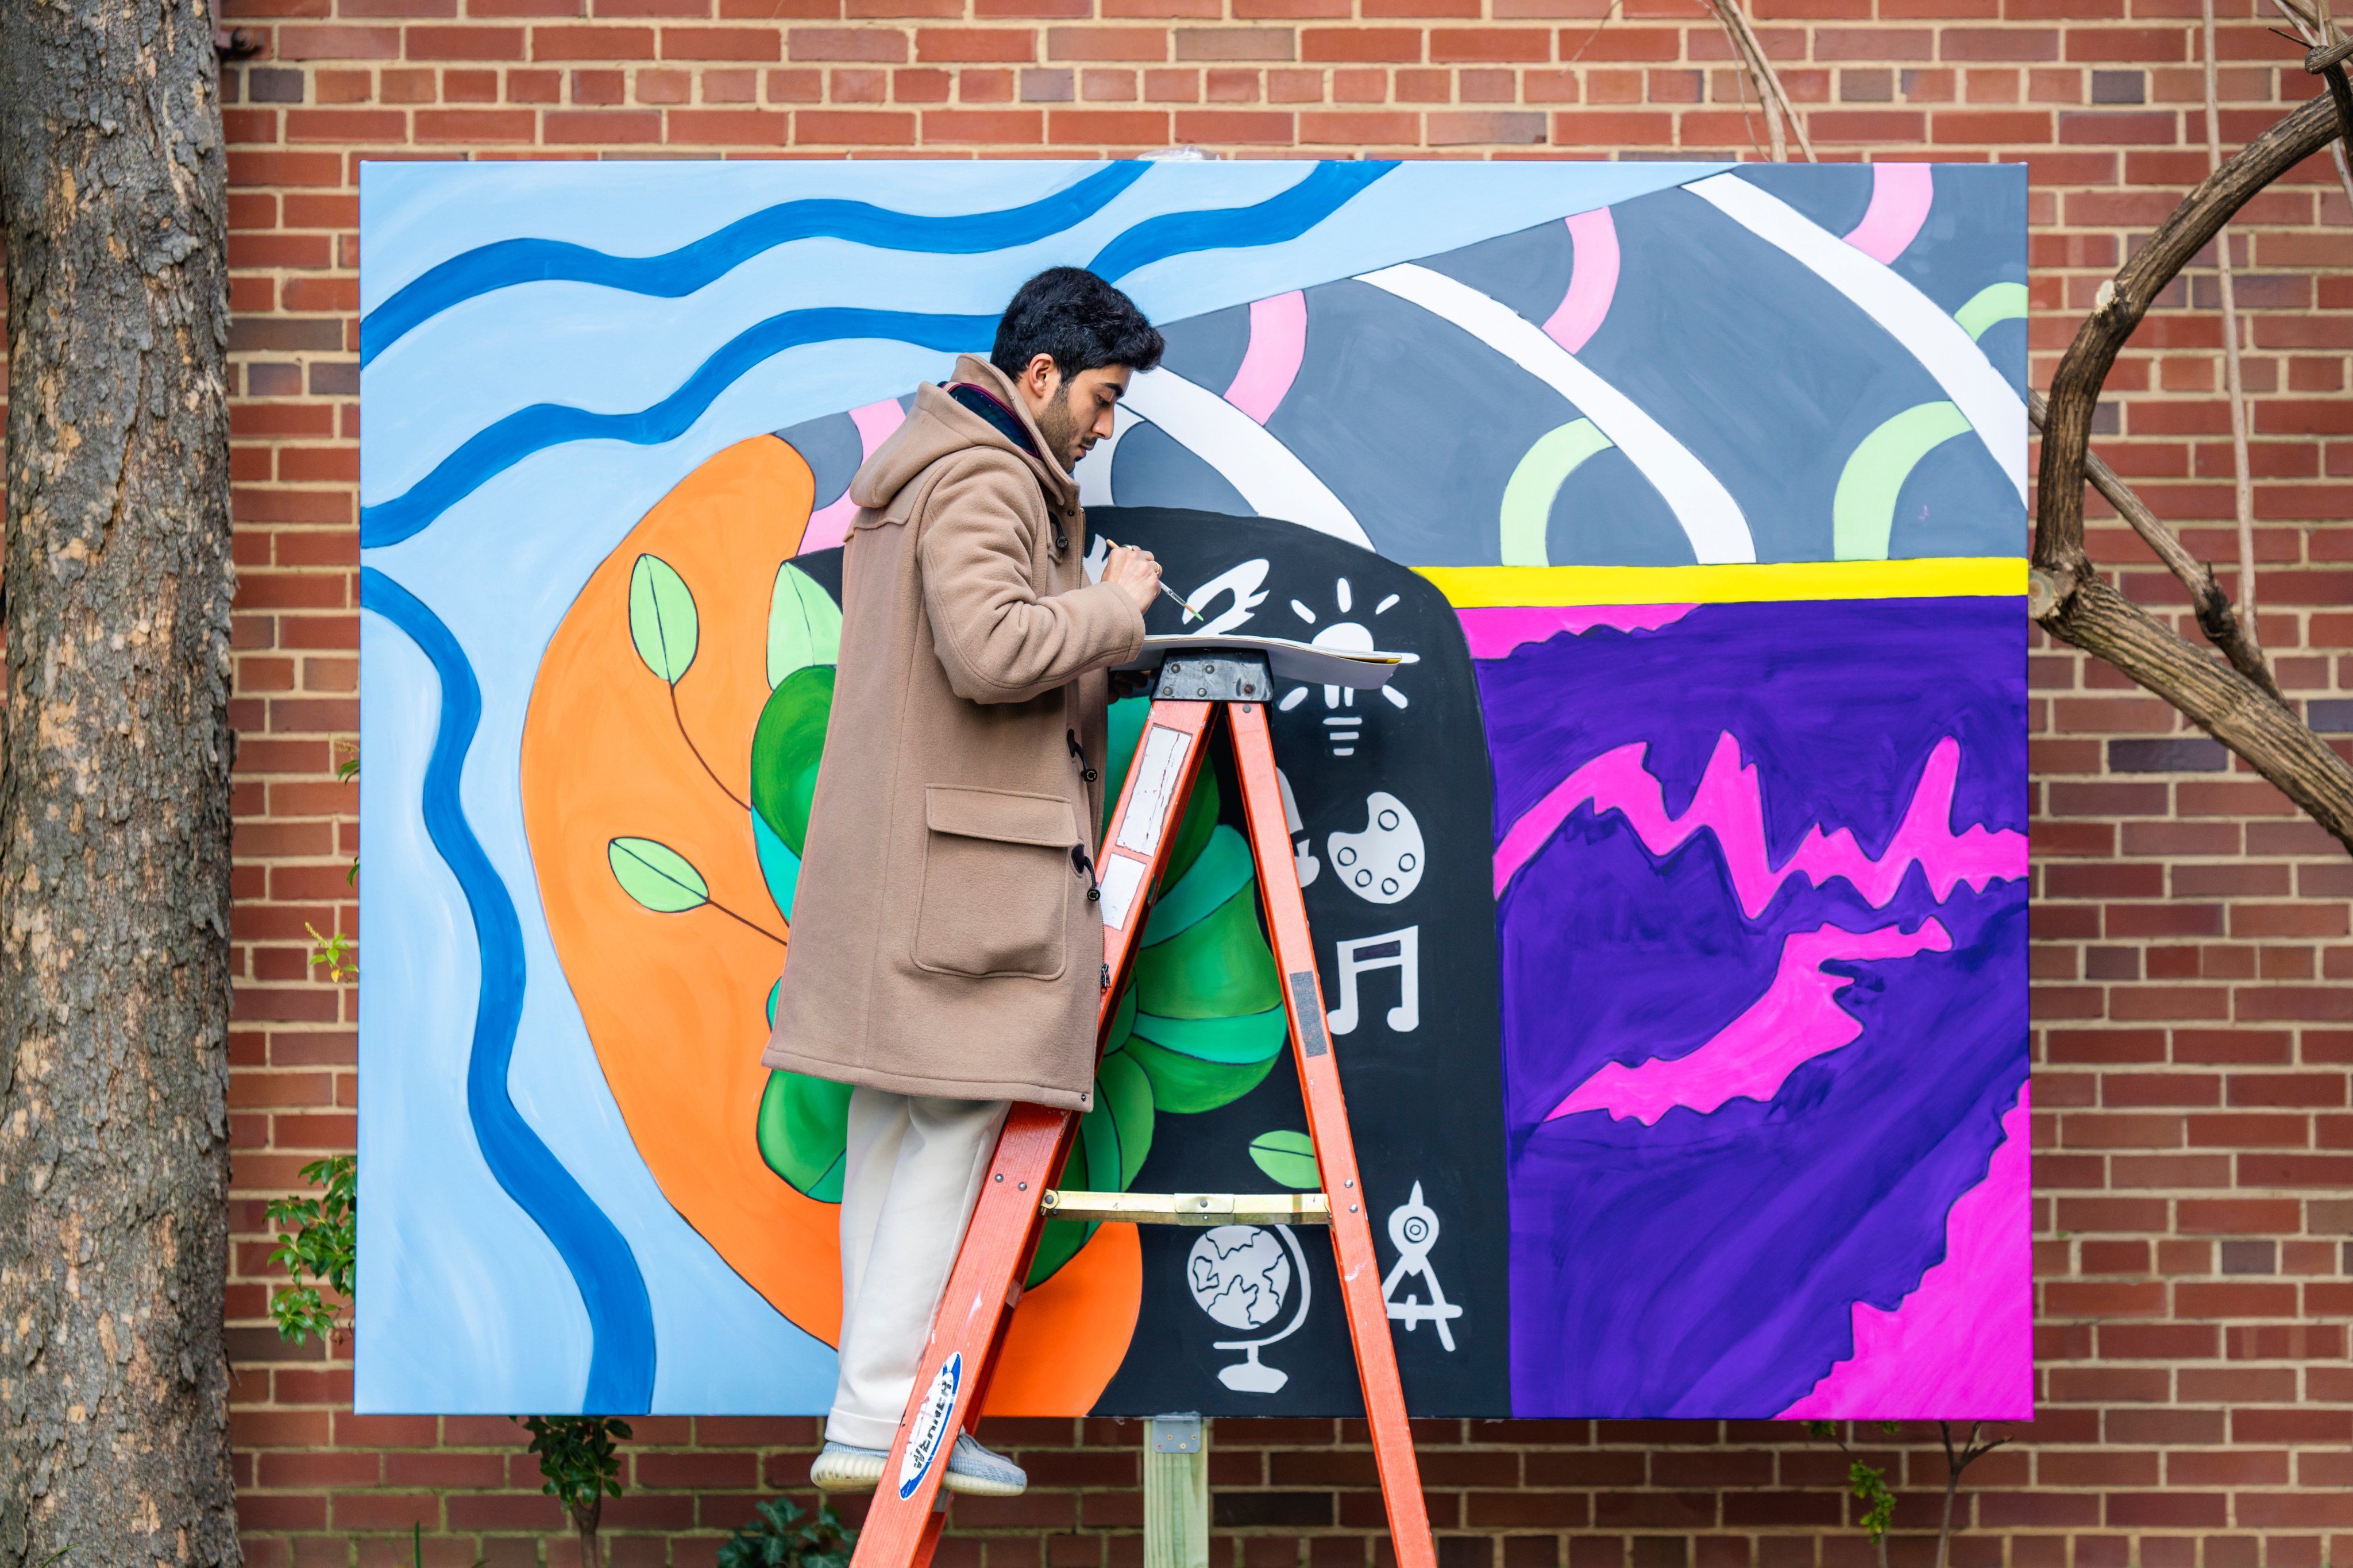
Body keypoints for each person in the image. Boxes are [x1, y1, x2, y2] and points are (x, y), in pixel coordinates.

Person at [761, 267, 1167, 1499]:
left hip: (917, 874)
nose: (1104, 428)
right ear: (1037, 376)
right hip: (967, 885)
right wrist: (1115, 608)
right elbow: (990, 651)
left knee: (895, 1135)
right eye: (1100, 398)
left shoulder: (933, 467)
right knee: (941, 1134)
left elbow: (968, 664)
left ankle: (863, 1412)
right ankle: (888, 1415)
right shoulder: (989, 476)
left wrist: (1095, 633)